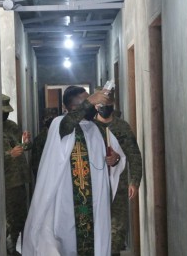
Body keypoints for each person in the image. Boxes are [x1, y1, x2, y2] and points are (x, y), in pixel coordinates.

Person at [23, 86, 126, 255]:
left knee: (95, 241)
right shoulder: (59, 124)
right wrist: (91, 100)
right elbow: (68, 124)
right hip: (67, 199)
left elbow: (110, 159)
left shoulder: (95, 128)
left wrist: (114, 161)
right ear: (71, 108)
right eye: (87, 103)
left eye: (92, 103)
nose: (93, 107)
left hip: (95, 200)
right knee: (66, 242)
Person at [94, 89, 142, 255]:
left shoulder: (122, 127)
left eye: (107, 105)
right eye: (100, 104)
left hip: (119, 189)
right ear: (95, 105)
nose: (104, 107)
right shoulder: (90, 128)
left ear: (113, 105)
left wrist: (134, 182)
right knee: (96, 233)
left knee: (117, 232)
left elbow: (134, 155)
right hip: (95, 189)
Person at [2, 94, 32, 256]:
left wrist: (25, 143)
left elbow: (22, 147)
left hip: (19, 179)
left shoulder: (11, 126)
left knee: (20, 217)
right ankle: (8, 250)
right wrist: (9, 154)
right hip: (5, 182)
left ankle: (14, 248)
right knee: (9, 220)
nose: (5, 115)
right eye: (3, 112)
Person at [30, 113, 55, 178]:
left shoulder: (63, 136)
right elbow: (36, 163)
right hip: (46, 174)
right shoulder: (39, 139)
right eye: (47, 118)